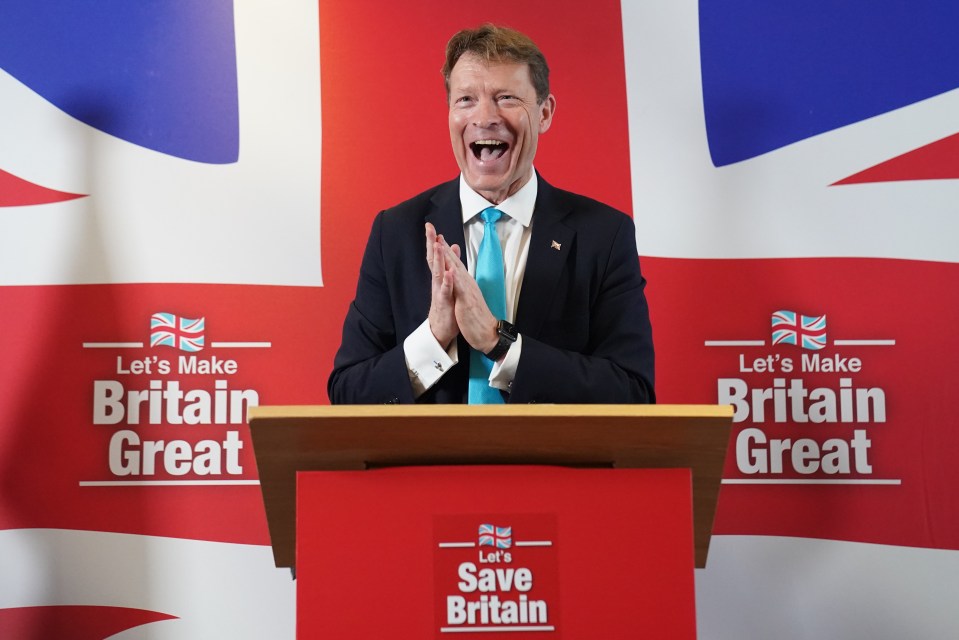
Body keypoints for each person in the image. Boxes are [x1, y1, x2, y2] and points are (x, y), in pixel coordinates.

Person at [328, 24, 654, 404]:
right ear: (449, 112)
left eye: (506, 98)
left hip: (547, 463)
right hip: (433, 464)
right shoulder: (396, 233)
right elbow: (347, 394)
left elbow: (632, 394)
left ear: (544, 113)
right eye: (466, 99)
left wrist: (500, 343)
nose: (484, 117)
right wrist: (433, 337)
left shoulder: (603, 235)